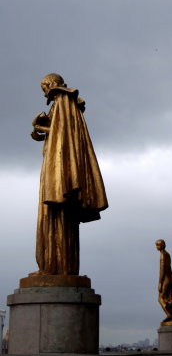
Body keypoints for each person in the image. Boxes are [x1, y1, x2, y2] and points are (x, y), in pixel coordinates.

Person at [31, 73, 108, 275]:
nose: (45, 92)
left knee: (57, 216)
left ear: (51, 85)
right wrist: (38, 130)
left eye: (44, 88)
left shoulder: (63, 100)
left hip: (59, 171)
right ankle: (55, 266)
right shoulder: (63, 104)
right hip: (56, 165)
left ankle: (55, 267)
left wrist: (38, 126)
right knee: (57, 218)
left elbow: (61, 134)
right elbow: (59, 132)